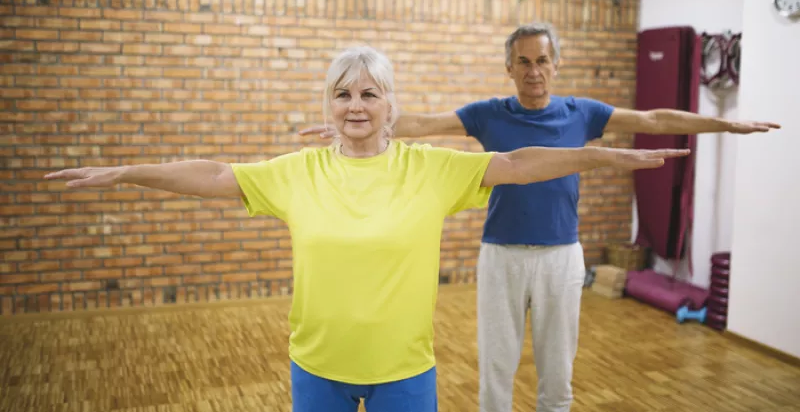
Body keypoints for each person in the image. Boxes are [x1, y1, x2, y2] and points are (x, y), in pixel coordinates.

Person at [45, 45, 689, 412]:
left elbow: (519, 164)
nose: (356, 106)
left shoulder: (430, 168)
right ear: (328, 106)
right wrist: (127, 171)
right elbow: (213, 174)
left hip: (405, 371)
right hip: (317, 367)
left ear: (391, 107)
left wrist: (601, 155)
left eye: (370, 94)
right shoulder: (296, 173)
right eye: (344, 95)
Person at [299, 26, 780, 412]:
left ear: (556, 64)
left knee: (557, 369)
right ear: (509, 67)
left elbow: (652, 119)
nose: (534, 71)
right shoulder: (488, 114)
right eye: (524, 61)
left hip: (561, 256)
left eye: (543, 60)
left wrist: (727, 123)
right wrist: (355, 120)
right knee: (496, 367)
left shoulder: (583, 113)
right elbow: (420, 123)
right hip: (501, 255)